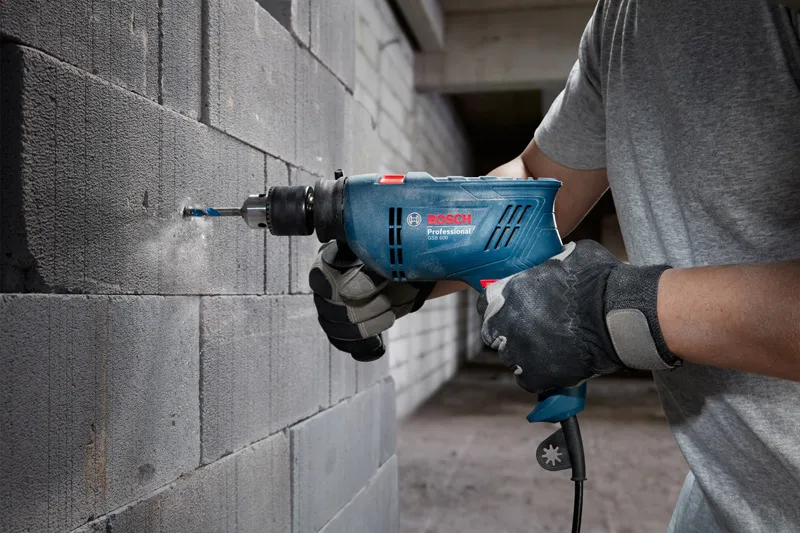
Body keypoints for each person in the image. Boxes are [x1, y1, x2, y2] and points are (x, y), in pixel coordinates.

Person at [308, 1, 800, 531]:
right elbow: (533, 183)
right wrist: (420, 257)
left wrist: (613, 311)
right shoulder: (623, 20)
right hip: (730, 485)